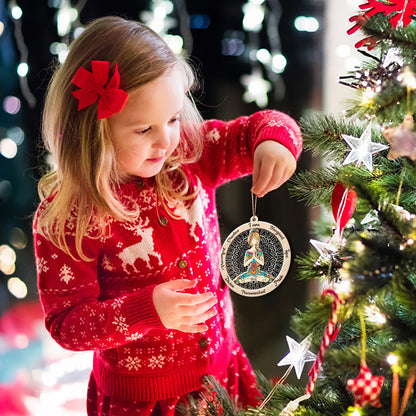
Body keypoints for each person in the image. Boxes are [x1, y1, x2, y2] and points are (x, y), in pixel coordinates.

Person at [33, 16, 302, 416]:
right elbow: (67, 325)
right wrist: (147, 310)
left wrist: (275, 143)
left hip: (221, 369)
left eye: (174, 118)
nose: (166, 140)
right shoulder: (68, 217)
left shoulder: (190, 156)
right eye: (143, 130)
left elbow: (259, 128)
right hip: (145, 400)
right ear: (92, 131)